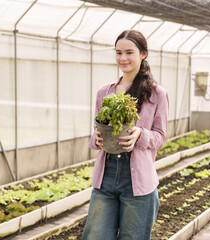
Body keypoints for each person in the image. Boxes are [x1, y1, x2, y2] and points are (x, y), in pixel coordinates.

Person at [82, 30, 169, 240]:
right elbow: (96, 130)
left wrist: (139, 134)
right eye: (118, 52)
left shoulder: (156, 94)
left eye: (129, 52)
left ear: (143, 54)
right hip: (106, 177)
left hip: (138, 181)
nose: (123, 58)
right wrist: (98, 138)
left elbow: (160, 137)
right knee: (95, 237)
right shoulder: (105, 92)